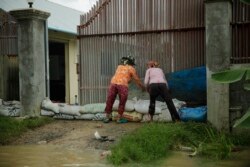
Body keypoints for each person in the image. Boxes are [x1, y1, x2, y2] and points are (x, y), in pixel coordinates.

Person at [103, 56, 145, 123]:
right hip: (122, 85)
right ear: (131, 63)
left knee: (110, 100)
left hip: (113, 83)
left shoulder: (119, 66)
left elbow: (123, 75)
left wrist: (129, 79)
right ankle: (119, 118)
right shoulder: (131, 68)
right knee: (122, 101)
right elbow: (136, 79)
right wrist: (143, 87)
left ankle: (107, 117)